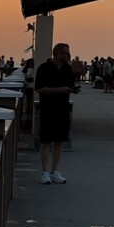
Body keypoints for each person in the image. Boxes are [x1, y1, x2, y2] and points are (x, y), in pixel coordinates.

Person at [36, 41, 77, 183]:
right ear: (58, 53)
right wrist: (61, 90)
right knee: (46, 141)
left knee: (59, 141)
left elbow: (70, 86)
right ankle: (44, 172)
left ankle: (54, 171)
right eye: (66, 52)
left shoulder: (67, 69)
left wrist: (72, 88)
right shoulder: (44, 68)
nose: (68, 55)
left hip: (63, 109)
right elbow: (40, 88)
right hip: (48, 109)